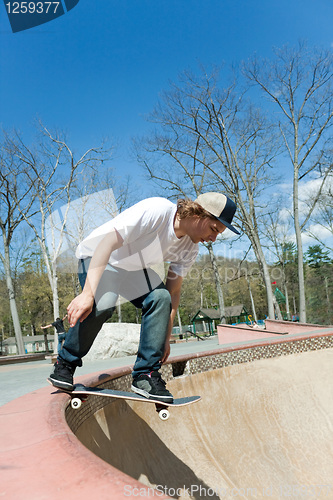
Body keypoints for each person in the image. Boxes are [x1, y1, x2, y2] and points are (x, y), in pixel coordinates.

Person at [48, 192, 239, 402]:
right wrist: (87, 294)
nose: (212, 239)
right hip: (99, 256)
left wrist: (164, 338)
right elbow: (107, 243)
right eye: (213, 229)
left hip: (133, 269)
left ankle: (145, 375)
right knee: (103, 304)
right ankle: (65, 362)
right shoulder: (157, 211)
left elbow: (173, 292)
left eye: (218, 234)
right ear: (199, 213)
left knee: (160, 297)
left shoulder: (190, 249)